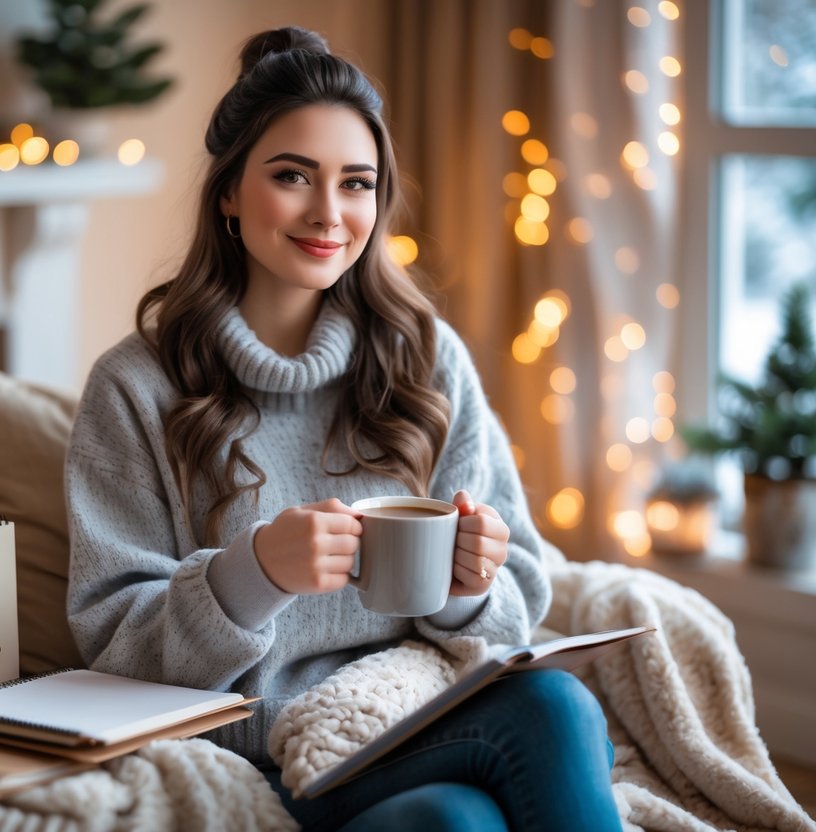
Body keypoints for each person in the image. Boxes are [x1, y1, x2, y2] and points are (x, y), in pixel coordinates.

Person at [66, 25, 623, 832]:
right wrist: (249, 574)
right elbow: (110, 644)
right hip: (255, 752)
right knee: (548, 711)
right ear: (227, 192)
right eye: (291, 176)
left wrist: (470, 590)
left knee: (453, 820)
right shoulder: (135, 386)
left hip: (416, 715)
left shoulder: (424, 358)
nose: (329, 213)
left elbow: (518, 599)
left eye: (356, 183)